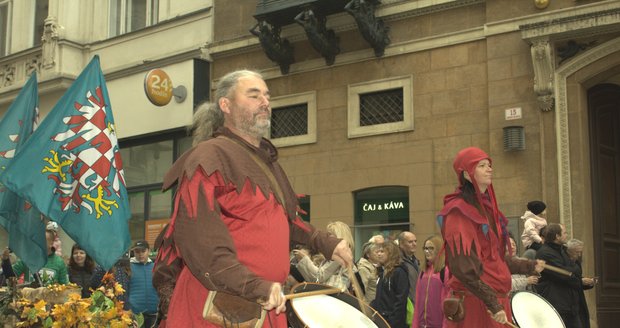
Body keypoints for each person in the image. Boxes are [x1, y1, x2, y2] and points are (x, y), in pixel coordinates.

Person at [151, 70, 352, 327]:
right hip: (216, 308)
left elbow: (283, 221)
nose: (265, 102)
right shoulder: (208, 157)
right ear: (226, 104)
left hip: (264, 303)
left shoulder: (266, 162)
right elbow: (202, 244)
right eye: (254, 95)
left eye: (267, 96)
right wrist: (255, 286)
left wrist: (327, 243)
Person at [437, 147, 544, 327]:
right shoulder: (459, 211)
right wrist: (492, 304)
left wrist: (529, 266)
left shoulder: (489, 210)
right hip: (476, 304)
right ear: (467, 174)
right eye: (482, 165)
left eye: (489, 165)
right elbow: (463, 267)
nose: (489, 169)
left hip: (494, 302)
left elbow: (495, 258)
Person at [294, 221, 354, 290]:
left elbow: (319, 277)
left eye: (331, 235)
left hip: (332, 297)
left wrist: (303, 259)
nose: (328, 238)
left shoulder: (338, 256)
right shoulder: (343, 255)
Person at [2, 224, 68, 286]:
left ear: (51, 243)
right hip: (28, 297)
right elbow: (11, 277)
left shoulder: (59, 262)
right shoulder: (27, 258)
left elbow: (64, 287)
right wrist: (5, 261)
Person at [412, 235, 449, 328]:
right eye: (425, 248)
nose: (427, 251)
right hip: (422, 325)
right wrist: (415, 325)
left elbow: (447, 303)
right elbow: (417, 302)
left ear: (439, 249)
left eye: (431, 248)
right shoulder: (423, 272)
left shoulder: (445, 271)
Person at [371, 241, 409, 328]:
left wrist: (393, 322)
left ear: (391, 253)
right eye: (378, 252)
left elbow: (401, 300)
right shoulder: (382, 271)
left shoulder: (399, 272)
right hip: (382, 319)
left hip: (393, 322)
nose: (379, 254)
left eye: (382, 251)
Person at [565, 238, 596, 328]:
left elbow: (577, 280)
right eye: (577, 252)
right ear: (569, 251)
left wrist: (588, 283)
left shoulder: (577, 262)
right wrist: (581, 281)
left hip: (579, 298)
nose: (579, 255)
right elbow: (568, 279)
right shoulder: (565, 262)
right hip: (569, 300)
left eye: (580, 252)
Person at [128, 240, 159, 328]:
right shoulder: (128, 268)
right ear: (134, 252)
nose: (140, 254)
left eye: (143, 251)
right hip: (135, 315)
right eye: (137, 251)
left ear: (149, 251)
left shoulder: (156, 267)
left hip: (154, 314)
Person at [397, 231, 419, 325]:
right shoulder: (398, 262)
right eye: (410, 242)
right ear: (401, 244)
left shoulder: (415, 260)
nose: (414, 244)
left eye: (415, 241)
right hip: (406, 309)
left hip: (416, 305)